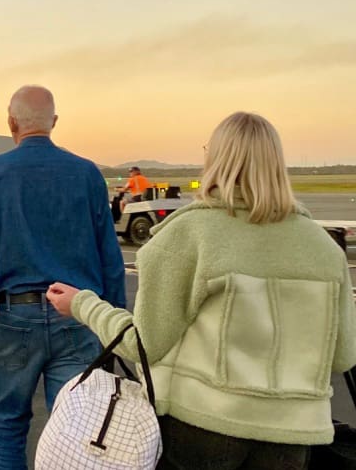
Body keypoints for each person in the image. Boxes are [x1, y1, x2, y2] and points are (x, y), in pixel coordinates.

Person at [47, 111, 356, 470]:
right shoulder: (323, 248)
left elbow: (143, 346)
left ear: (216, 159)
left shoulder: (190, 233)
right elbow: (342, 357)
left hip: (202, 429)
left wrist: (83, 304)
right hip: (292, 440)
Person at [0, 85, 126, 470]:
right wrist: (114, 323)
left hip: (15, 318)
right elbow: (110, 258)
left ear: (11, 123)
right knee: (77, 427)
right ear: (54, 123)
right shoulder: (86, 174)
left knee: (8, 423)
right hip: (79, 315)